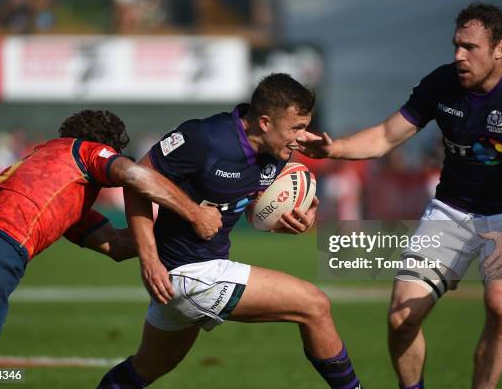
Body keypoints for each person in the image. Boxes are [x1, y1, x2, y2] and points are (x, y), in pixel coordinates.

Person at [297, 2, 502, 389]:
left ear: (500, 49)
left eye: (470, 47)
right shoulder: (442, 83)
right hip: (450, 212)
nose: (458, 55)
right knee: (401, 320)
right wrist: (333, 149)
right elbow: (387, 136)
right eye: (456, 45)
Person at [96, 74, 363, 389]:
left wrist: (284, 220)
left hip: (188, 278)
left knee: (144, 369)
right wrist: (149, 259)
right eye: (296, 128)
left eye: (304, 126)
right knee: (315, 305)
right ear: (264, 122)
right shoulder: (204, 137)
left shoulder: (277, 152)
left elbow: (247, 205)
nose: (300, 138)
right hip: (189, 274)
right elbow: (136, 178)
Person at [0, 110, 222, 388]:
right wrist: (194, 213)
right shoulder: (87, 152)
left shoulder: (54, 174)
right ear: (108, 148)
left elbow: (117, 245)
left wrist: (181, 233)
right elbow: (133, 174)